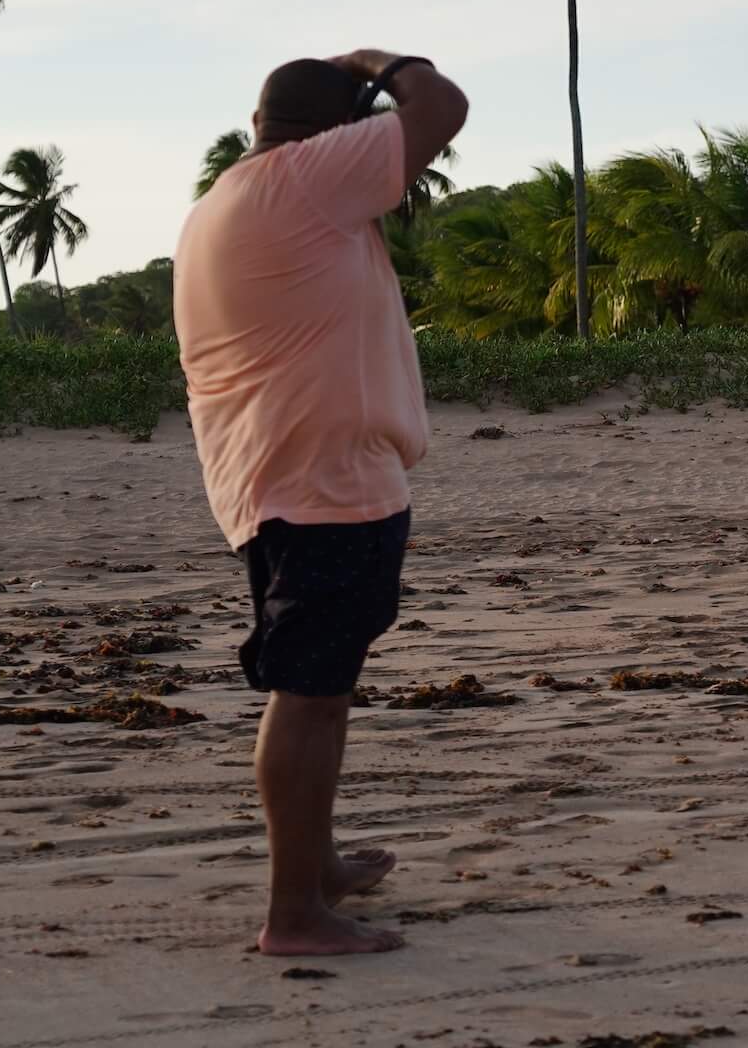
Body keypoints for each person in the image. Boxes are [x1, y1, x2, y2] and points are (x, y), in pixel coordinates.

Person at [174, 49, 468, 957]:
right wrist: (382, 65)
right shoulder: (303, 180)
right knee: (310, 695)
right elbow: (444, 107)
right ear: (335, 131)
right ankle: (294, 913)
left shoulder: (227, 199)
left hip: (290, 482)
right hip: (319, 489)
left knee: (322, 687)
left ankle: (318, 865)